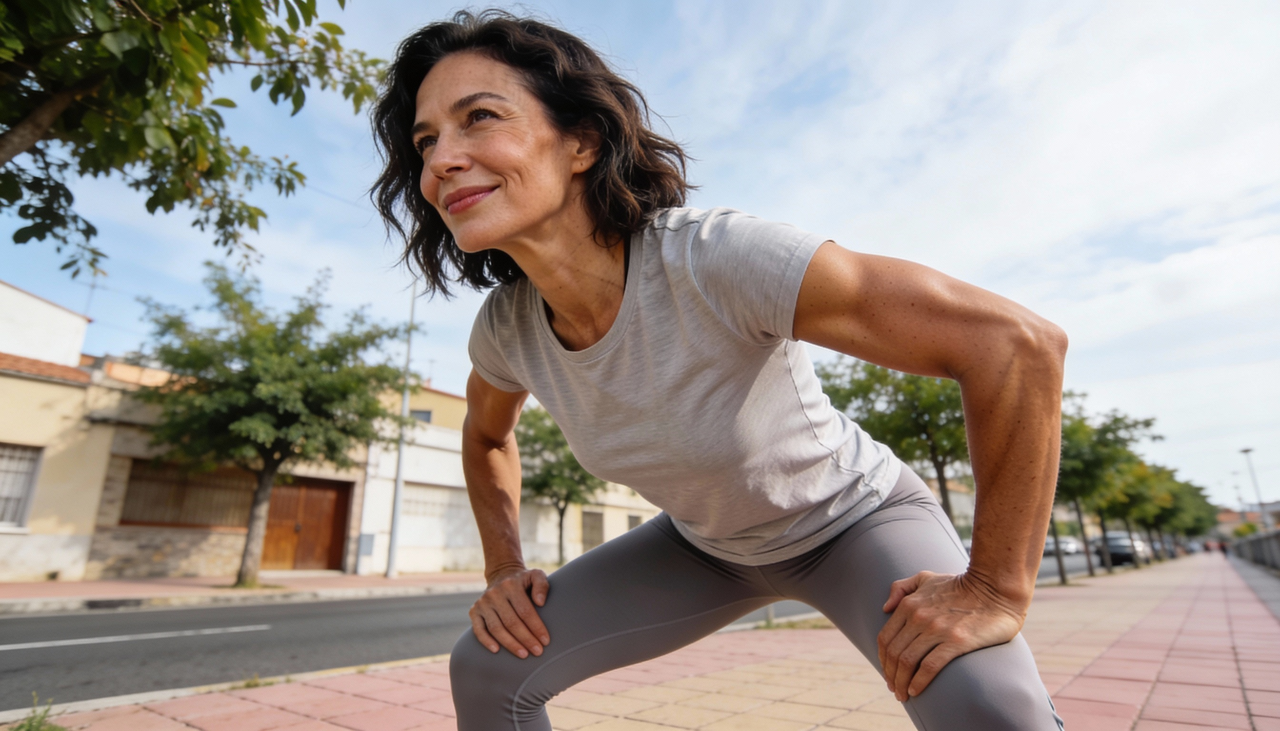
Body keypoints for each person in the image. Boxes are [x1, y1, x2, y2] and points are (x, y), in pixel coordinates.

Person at [371, 11, 1068, 731]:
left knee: (987, 709)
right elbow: (486, 437)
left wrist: (995, 587)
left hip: (854, 519)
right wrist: (502, 571)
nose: (440, 161)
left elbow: (1016, 346)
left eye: (478, 117)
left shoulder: (715, 258)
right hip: (704, 548)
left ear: (581, 141)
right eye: (426, 142)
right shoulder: (507, 331)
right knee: (487, 665)